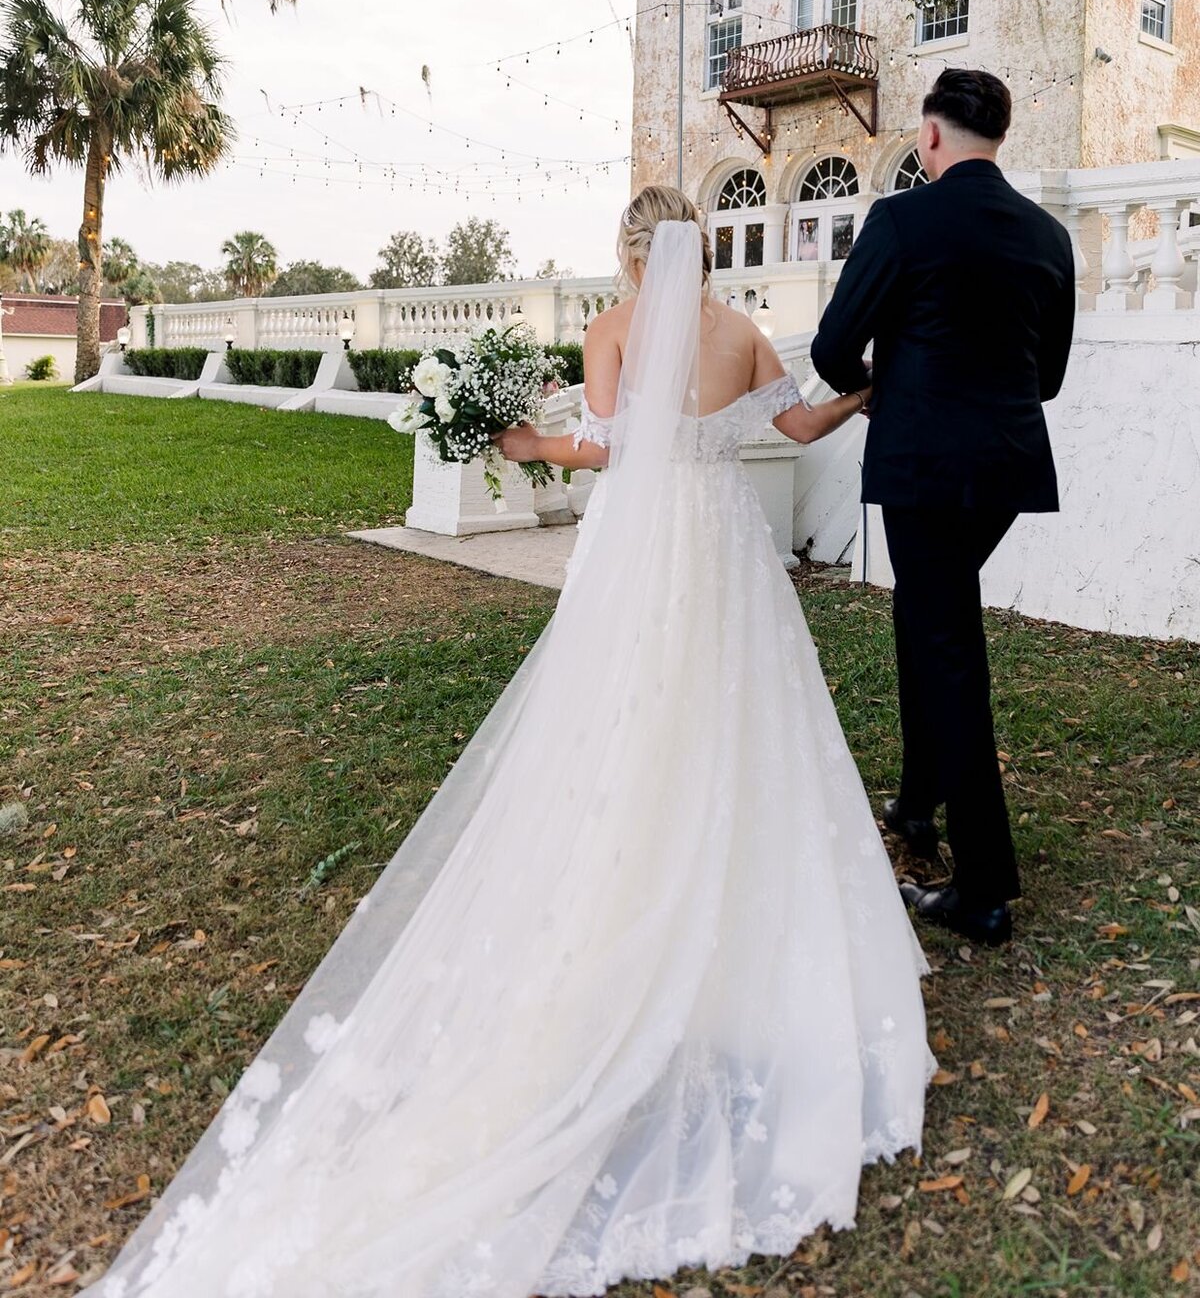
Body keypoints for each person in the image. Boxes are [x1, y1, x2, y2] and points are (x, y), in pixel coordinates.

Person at [92, 187, 933, 1298]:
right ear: (700, 248)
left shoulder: (614, 328)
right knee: (736, 721)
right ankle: (731, 929)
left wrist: (516, 437)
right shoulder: (741, 335)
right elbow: (799, 425)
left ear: (633, 254)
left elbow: (603, 452)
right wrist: (877, 385)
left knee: (620, 721)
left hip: (645, 548)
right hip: (726, 554)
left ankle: (623, 909)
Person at [811, 68, 1076, 948]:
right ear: (998, 136)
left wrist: (871, 391)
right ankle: (918, 804)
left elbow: (831, 346)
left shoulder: (901, 219)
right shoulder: (1047, 236)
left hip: (924, 465)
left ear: (930, 138)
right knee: (931, 625)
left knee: (946, 643)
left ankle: (986, 886)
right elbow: (1050, 377)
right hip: (1003, 468)